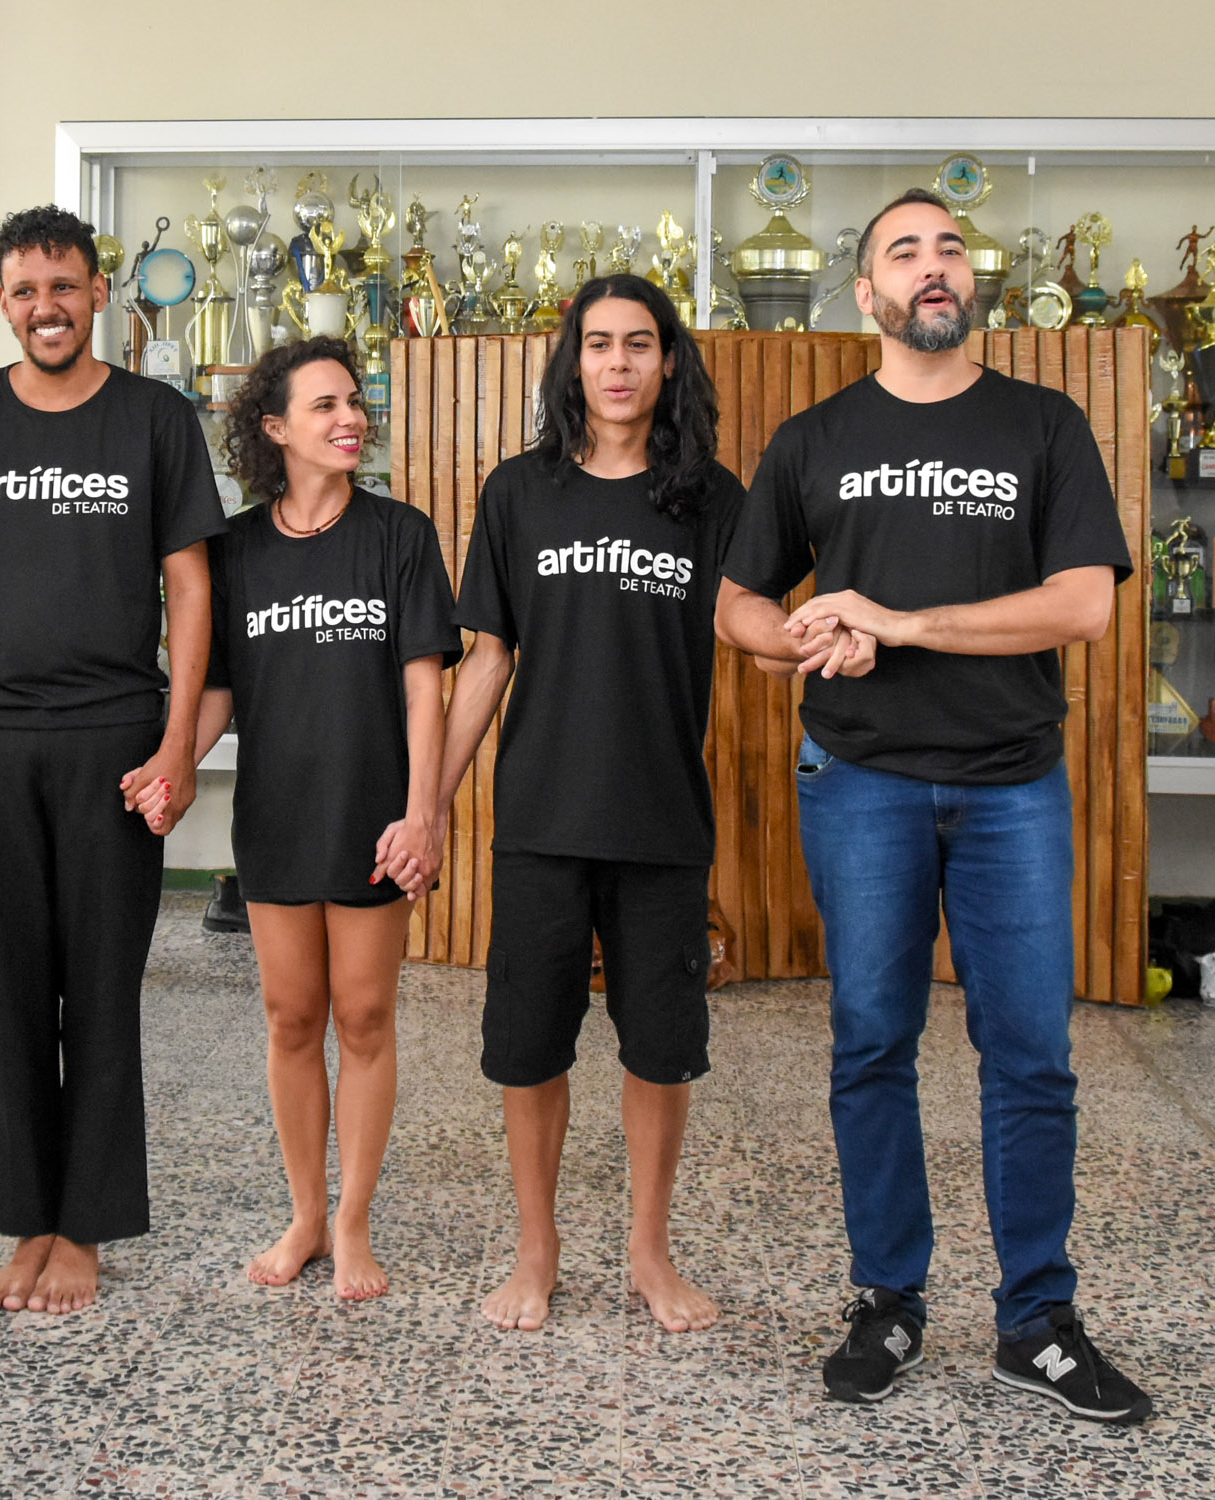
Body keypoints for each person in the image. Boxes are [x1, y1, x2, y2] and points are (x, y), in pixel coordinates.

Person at [716, 187, 1149, 1422]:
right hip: (859, 782)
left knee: (1030, 1055)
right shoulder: (812, 437)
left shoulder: (1041, 424)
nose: (931, 266)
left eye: (948, 247)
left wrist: (896, 623)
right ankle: (887, 1303)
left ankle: (1035, 1321)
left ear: (972, 281)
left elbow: (1081, 604)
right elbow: (737, 606)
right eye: (902, 252)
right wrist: (804, 635)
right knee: (870, 1044)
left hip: (1011, 786)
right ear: (867, 294)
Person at [0, 205, 225, 1315]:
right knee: (9, 990)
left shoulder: (153, 418)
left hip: (113, 741)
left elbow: (190, 587)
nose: (47, 307)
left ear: (98, 295)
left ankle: (84, 1228)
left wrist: (177, 744)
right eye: (26, 290)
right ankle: (26, 1219)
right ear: (3, 300)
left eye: (65, 287)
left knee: (104, 992)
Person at [438, 275, 744, 1335]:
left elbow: (751, 622)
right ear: (573, 361)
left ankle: (650, 1254)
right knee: (529, 1048)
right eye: (599, 344)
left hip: (661, 821)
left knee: (661, 1049)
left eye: (639, 344)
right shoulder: (518, 492)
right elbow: (486, 658)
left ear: (669, 362)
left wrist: (829, 635)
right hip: (540, 821)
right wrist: (428, 803)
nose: (617, 363)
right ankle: (537, 1252)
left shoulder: (710, 498)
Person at [135, 336, 457, 1299]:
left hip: (372, 816)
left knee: (363, 1016)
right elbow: (218, 692)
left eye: (354, 402)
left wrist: (422, 814)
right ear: (273, 429)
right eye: (325, 406)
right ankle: (306, 1215)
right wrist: (169, 769)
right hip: (277, 816)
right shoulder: (234, 551)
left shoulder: (400, 536)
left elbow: (425, 691)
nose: (350, 418)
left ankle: (354, 1222)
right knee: (290, 1017)